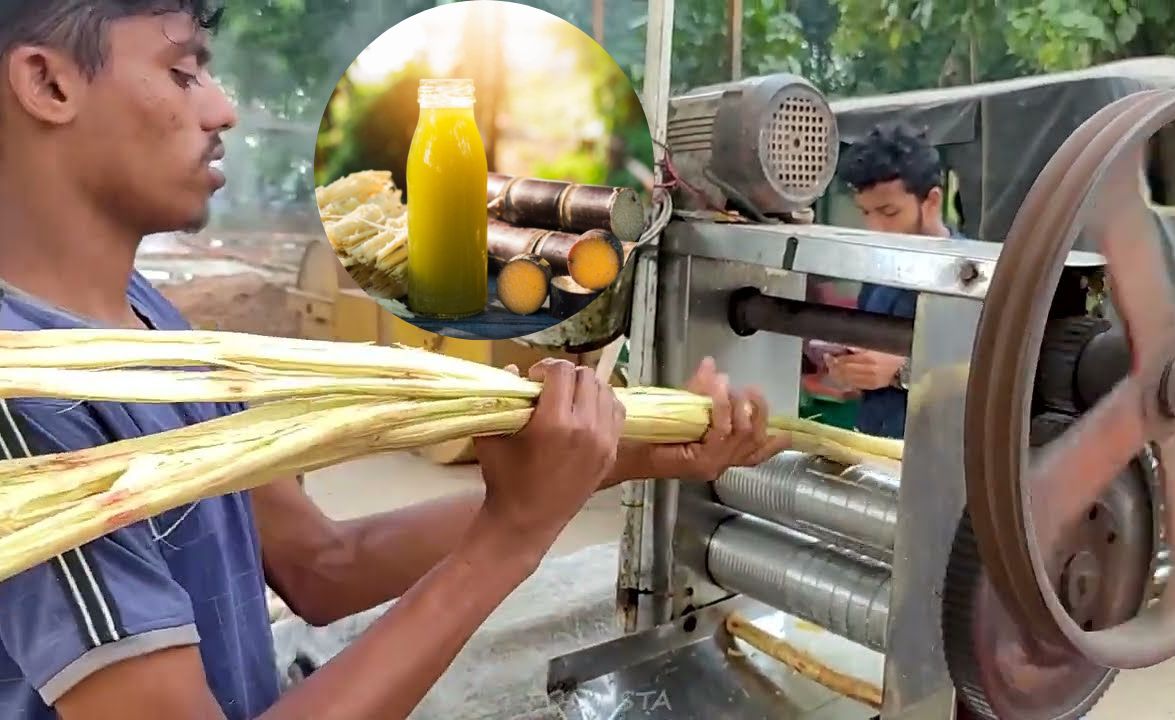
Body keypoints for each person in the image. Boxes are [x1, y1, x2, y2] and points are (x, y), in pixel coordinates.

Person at [0, 4, 788, 719]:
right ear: (47, 83)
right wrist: (510, 538)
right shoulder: (27, 399)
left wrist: (611, 459)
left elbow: (322, 565)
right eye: (182, 73)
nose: (222, 109)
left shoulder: (145, 321)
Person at [810, 122, 960, 439]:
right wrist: (850, 368)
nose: (875, 229)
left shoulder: (969, 279)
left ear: (932, 202)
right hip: (873, 443)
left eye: (889, 212)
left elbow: (991, 377)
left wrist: (901, 372)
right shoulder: (880, 270)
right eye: (865, 213)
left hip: (937, 451)